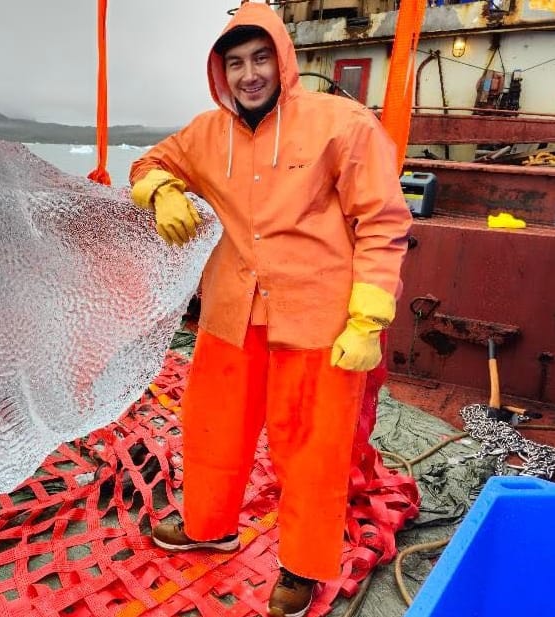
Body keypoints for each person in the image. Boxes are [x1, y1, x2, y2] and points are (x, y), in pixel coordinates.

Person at [128, 4, 412, 617]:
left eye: (260, 58)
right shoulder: (205, 133)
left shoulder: (345, 124)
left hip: (318, 320)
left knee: (311, 450)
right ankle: (209, 525)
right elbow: (147, 162)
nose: (249, 74)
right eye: (235, 63)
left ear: (283, 60)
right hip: (231, 314)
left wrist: (367, 318)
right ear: (219, 72)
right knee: (210, 431)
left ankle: (302, 568)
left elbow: (383, 221)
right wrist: (162, 190)